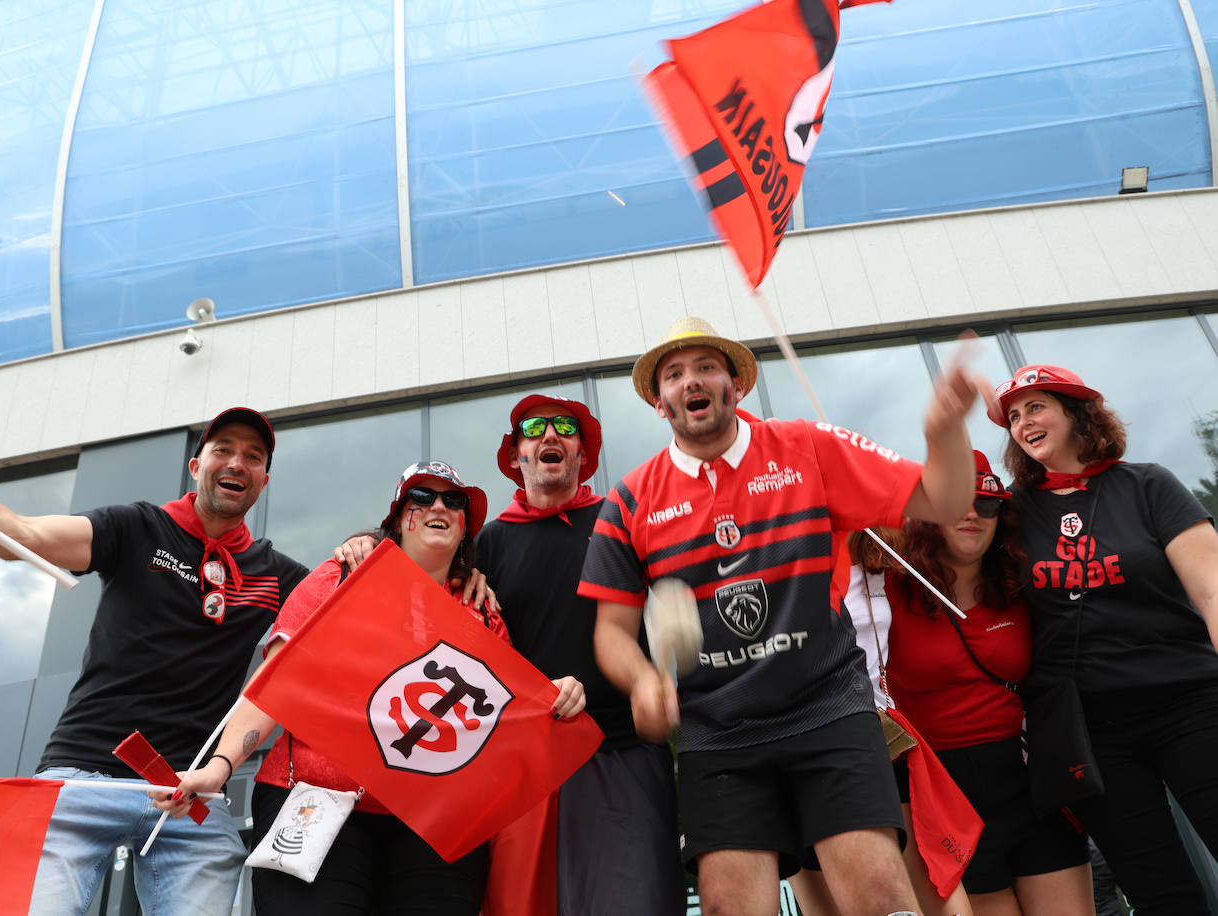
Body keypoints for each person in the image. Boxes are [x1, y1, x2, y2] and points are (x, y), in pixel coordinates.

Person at [581, 316, 992, 916]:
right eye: (674, 374)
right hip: (715, 731)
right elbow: (612, 631)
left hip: (826, 708)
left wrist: (944, 430)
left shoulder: (809, 447)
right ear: (658, 400)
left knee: (881, 898)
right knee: (729, 909)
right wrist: (642, 679)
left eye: (705, 367)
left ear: (735, 385)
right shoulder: (629, 500)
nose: (690, 381)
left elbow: (944, 500)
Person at [0, 407, 308, 916]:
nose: (237, 463)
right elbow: (18, 536)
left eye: (253, 456)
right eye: (224, 450)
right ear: (196, 466)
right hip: (80, 780)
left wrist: (365, 543)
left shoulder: (279, 575)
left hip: (190, 800)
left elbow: (346, 623)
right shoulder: (136, 527)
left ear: (264, 479)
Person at [159, 460, 586, 915]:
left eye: (453, 500)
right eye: (421, 498)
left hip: (430, 824)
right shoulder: (340, 577)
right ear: (398, 518)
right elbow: (278, 686)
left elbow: (498, 731)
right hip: (313, 797)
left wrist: (554, 698)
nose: (438, 506)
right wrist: (220, 767)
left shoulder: (483, 615)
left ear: (465, 528)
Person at [993, 364, 1218, 914]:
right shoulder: (1013, 514)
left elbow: (1212, 591)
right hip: (1090, 734)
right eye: (1014, 417)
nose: (1023, 423)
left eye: (1037, 407)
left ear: (1077, 412)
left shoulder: (1149, 484)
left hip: (1191, 705)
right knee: (1159, 892)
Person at [475, 394, 686, 915]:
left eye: (566, 427)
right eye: (534, 428)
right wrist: (359, 543)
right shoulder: (487, 544)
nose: (551, 435)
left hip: (624, 753)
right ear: (516, 454)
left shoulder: (621, 520)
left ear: (581, 455)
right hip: (530, 769)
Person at [886, 449, 1092, 916]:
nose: (973, 515)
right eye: (956, 501)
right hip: (944, 791)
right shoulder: (890, 587)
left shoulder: (1021, 586)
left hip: (1029, 778)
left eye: (987, 505)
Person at [787, 527, 975, 916]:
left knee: (930, 889)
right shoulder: (783, 542)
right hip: (792, 742)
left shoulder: (875, 545)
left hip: (873, 736)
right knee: (823, 899)